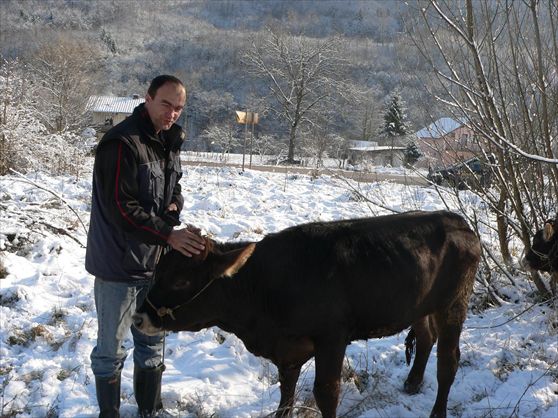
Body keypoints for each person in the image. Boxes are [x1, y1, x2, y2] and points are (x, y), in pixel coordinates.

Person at [85, 75, 205, 418]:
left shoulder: (168, 141)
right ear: (147, 98)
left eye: (179, 108)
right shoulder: (121, 143)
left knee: (152, 342)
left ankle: (150, 411)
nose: (172, 114)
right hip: (118, 266)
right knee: (111, 350)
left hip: (155, 264)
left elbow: (174, 185)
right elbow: (121, 207)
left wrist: (174, 207)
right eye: (166, 104)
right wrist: (169, 235)